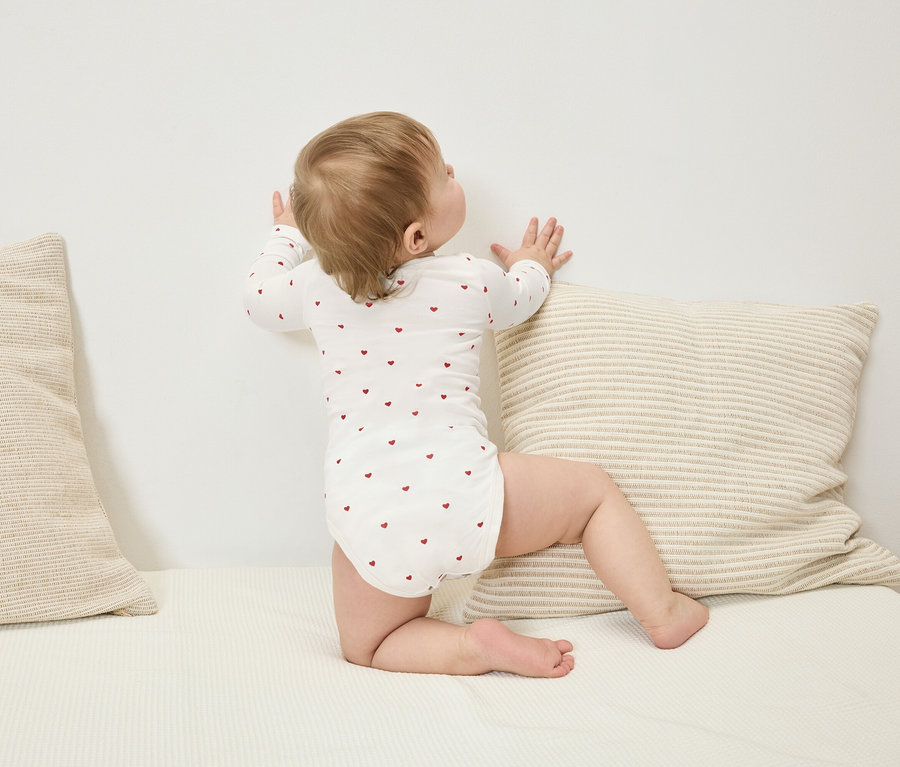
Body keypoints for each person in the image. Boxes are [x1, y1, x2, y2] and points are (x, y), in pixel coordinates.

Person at [244, 111, 708, 677]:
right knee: (593, 495)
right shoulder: (469, 280)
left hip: (371, 513)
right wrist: (531, 265)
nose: (454, 171)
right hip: (470, 491)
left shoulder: (315, 291)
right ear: (417, 237)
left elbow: (258, 300)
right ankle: (660, 611)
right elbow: (522, 300)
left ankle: (472, 648)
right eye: (443, 176)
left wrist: (289, 234)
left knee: (369, 646)